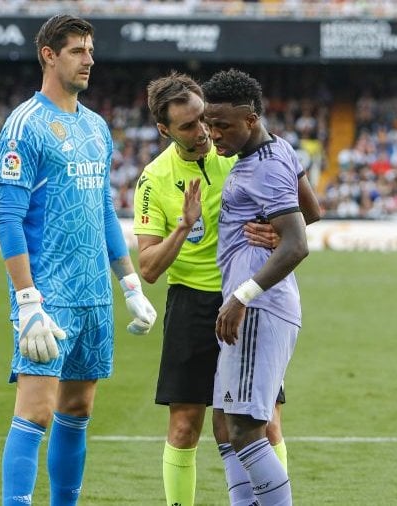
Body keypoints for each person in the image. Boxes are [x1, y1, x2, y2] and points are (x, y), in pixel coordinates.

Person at [133, 71, 320, 506]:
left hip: (247, 298)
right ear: (165, 130)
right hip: (194, 301)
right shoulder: (154, 178)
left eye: (206, 120)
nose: (203, 133)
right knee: (190, 426)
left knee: (261, 421)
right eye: (188, 126)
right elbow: (148, 267)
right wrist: (182, 226)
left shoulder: (236, 147)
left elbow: (298, 217)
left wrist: (281, 235)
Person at [0, 15, 158, 506]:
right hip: (47, 295)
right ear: (49, 54)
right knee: (36, 411)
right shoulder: (25, 126)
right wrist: (26, 301)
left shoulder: (96, 126)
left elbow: (102, 206)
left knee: (79, 408)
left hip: (93, 293)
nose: (90, 59)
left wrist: (129, 284)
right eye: (78, 51)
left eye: (90, 50)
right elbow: (8, 220)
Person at [203, 68, 311, 506]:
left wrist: (242, 296)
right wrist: (277, 228)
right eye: (210, 124)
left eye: (222, 125)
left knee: (247, 427)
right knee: (226, 426)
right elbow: (312, 209)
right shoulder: (278, 150)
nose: (213, 134)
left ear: (250, 119)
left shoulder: (263, 167)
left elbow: (298, 243)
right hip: (254, 306)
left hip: (258, 308)